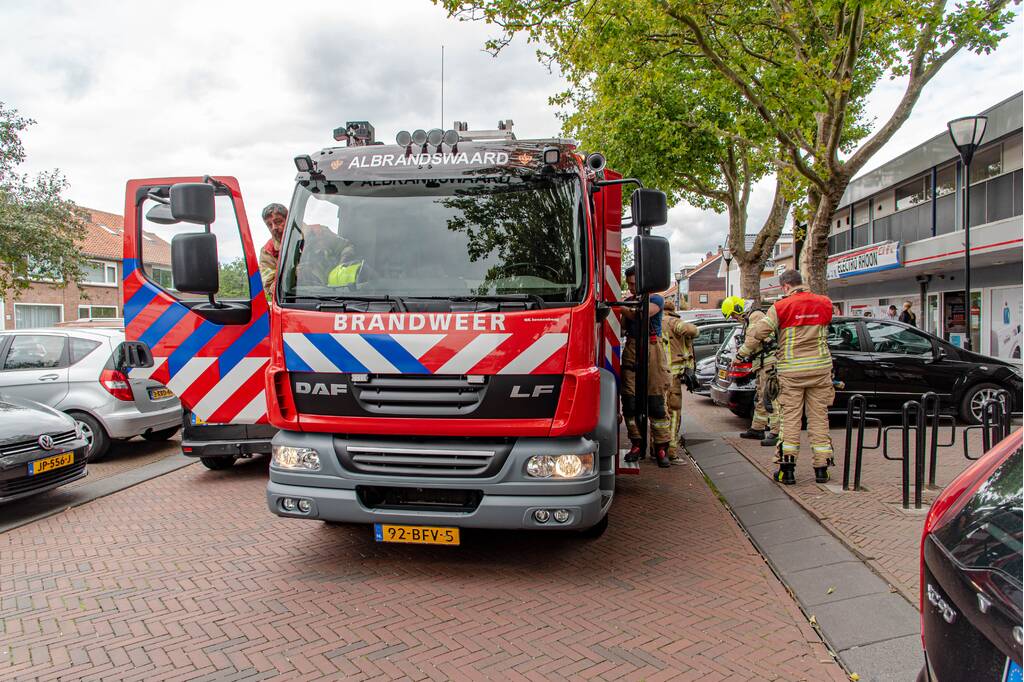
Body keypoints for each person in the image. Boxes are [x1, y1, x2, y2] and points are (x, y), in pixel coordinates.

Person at [736, 270, 834, 485]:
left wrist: (742, 354)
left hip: (792, 372)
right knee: (819, 419)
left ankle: (787, 470)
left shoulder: (780, 307)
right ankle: (822, 469)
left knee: (790, 419)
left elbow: (758, 334)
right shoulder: (825, 303)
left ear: (785, 286)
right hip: (820, 369)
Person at [620, 266, 673, 468]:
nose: (632, 287)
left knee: (657, 403)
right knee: (630, 401)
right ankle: (636, 444)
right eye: (629, 284)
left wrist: (620, 307)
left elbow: (641, 314)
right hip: (633, 347)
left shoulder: (656, 299)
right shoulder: (628, 302)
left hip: (653, 349)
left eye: (635, 284)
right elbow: (625, 325)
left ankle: (660, 448)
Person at [722, 296, 779, 447]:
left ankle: (776, 432)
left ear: (739, 310)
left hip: (768, 361)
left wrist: (740, 355)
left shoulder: (756, 316)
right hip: (761, 362)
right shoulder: (750, 319)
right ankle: (757, 428)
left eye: (734, 315)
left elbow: (752, 340)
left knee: (771, 397)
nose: (734, 318)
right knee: (761, 395)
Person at [661, 298, 699, 462]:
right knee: (674, 412)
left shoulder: (656, 321)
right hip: (673, 376)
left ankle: (658, 448)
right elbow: (692, 331)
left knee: (659, 413)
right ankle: (671, 450)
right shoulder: (672, 321)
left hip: (659, 374)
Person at [259, 203, 288, 295]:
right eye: (269, 224)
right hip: (292, 302)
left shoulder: (315, 234)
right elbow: (270, 285)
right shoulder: (267, 251)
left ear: (289, 219)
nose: (274, 227)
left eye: (278, 221)